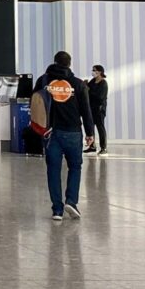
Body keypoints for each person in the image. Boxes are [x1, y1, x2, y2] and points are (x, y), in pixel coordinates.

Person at [35, 50, 95, 222]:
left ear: (54, 62)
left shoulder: (44, 81)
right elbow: (86, 110)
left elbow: (34, 100)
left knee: (53, 170)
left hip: (51, 133)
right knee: (75, 167)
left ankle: (57, 210)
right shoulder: (78, 84)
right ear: (69, 64)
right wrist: (90, 133)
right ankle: (71, 201)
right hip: (73, 131)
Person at [88, 65, 109, 155]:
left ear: (100, 72)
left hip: (99, 109)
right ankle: (92, 146)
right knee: (90, 127)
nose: (92, 71)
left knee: (100, 128)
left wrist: (89, 91)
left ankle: (103, 148)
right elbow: (87, 90)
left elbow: (100, 97)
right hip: (91, 108)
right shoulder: (92, 81)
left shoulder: (103, 83)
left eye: (94, 70)